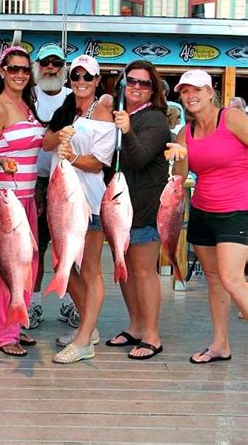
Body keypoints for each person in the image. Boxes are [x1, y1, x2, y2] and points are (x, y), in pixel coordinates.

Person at [166, 69, 247, 364]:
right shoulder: (184, 133)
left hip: (238, 209)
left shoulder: (233, 119)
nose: (190, 96)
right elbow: (180, 176)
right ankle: (220, 344)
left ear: (211, 91)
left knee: (232, 278)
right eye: (185, 91)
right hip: (202, 210)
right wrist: (177, 157)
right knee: (214, 280)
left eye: (196, 89)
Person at [42, 55, 116, 363]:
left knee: (89, 270)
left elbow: (99, 162)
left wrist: (70, 155)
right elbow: (46, 142)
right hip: (61, 202)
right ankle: (89, 326)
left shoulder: (104, 111)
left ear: (97, 80)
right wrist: (61, 137)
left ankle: (85, 340)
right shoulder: (66, 108)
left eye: (88, 77)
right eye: (76, 77)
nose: (81, 82)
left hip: (89, 203)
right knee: (61, 263)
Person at [0, 45, 44, 356]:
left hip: (28, 197)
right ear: (2, 71)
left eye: (24, 69)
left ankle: (16, 324)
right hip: (6, 198)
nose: (19, 74)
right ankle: (3, 335)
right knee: (6, 266)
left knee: (28, 263)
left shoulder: (26, 105)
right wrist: (1, 162)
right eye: (13, 68)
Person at [106, 60, 171, 360]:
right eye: (131, 81)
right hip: (121, 210)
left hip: (145, 210)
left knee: (144, 272)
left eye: (144, 83)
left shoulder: (155, 120)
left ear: (153, 89)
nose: (136, 87)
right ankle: (135, 326)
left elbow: (141, 158)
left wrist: (128, 131)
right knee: (125, 271)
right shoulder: (122, 115)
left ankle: (152, 335)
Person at [27, 43, 73, 330]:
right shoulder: (27, 96)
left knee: (68, 246)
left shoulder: (74, 97)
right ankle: (33, 304)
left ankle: (70, 302)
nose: (51, 68)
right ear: (37, 67)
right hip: (32, 181)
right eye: (45, 63)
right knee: (36, 248)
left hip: (66, 179)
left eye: (56, 63)